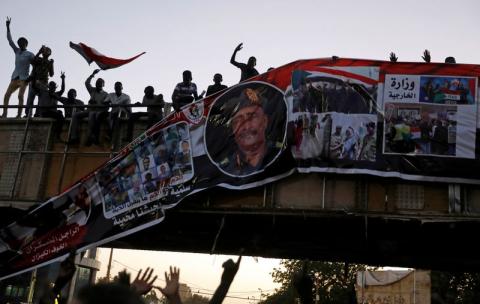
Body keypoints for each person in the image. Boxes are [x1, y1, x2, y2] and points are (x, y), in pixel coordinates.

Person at [222, 88, 270, 175]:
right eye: (238, 121)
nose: (246, 127)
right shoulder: (225, 168)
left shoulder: (283, 153)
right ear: (232, 129)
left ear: (265, 121)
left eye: (252, 117)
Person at [3, 17, 34, 118]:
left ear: (25, 44)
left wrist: (31, 76)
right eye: (18, 43)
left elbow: (35, 65)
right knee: (7, 95)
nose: (19, 44)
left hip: (24, 79)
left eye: (21, 43)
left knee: (20, 96)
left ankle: (19, 114)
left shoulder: (30, 54)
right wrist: (8, 26)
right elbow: (9, 40)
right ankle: (4, 113)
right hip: (15, 77)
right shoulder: (17, 51)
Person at [69, 69, 108, 145]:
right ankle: (74, 137)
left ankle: (89, 138)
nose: (98, 85)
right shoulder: (92, 90)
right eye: (97, 83)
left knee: (91, 116)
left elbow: (106, 108)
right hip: (88, 110)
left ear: (103, 85)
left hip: (96, 112)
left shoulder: (106, 95)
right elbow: (87, 83)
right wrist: (92, 74)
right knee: (75, 115)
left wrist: (96, 104)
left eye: (100, 84)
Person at [33, 72, 66, 141]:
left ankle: (57, 133)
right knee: (59, 116)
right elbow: (34, 87)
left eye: (54, 86)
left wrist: (63, 79)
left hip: (52, 112)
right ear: (49, 87)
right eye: (51, 86)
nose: (53, 88)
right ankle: (57, 135)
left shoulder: (56, 94)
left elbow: (62, 90)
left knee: (60, 114)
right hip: (44, 112)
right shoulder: (43, 92)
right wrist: (34, 78)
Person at [26, 45, 54, 117]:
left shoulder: (49, 62)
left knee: (41, 100)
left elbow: (51, 74)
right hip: (35, 80)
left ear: (50, 53)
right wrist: (39, 52)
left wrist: (52, 64)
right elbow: (33, 61)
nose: (46, 51)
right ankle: (28, 114)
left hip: (44, 82)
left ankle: (38, 114)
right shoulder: (39, 59)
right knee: (30, 98)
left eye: (48, 51)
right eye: (45, 50)